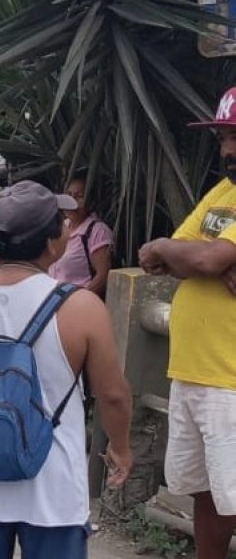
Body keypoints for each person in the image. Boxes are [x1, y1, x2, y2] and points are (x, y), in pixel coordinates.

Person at [0, 180, 132, 559]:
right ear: (52, 242)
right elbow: (113, 395)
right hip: (52, 488)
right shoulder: (81, 308)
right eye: (63, 222)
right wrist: (120, 447)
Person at [138, 89, 236, 559]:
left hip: (230, 377)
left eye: (235, 138)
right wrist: (181, 253)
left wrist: (201, 257)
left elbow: (204, 254)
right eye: (222, 138)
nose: (227, 151)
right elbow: (166, 254)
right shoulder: (222, 192)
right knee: (205, 491)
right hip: (192, 372)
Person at [49, 171, 114, 296]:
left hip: (79, 305)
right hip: (54, 303)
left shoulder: (97, 231)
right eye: (69, 195)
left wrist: (82, 299)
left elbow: (103, 275)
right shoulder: (62, 226)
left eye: (79, 196)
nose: (72, 202)